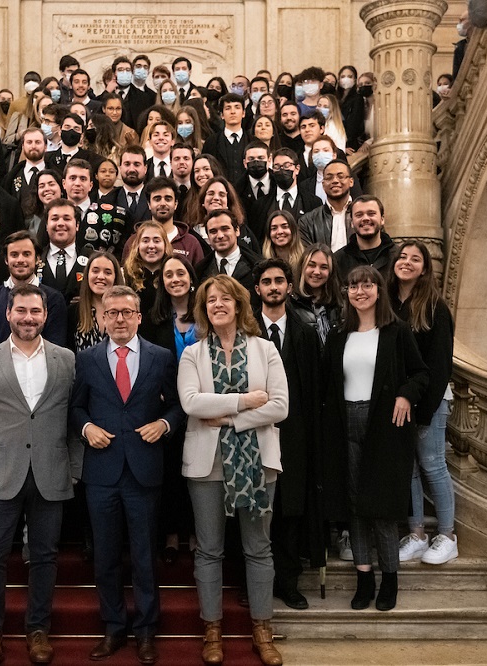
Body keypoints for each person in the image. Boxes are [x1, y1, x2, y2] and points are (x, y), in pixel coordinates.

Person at [177, 274, 288, 666]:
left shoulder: (265, 349)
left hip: (259, 462)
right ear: (204, 310)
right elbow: (191, 403)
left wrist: (228, 419)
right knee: (209, 550)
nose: (218, 304)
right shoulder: (193, 354)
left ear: (240, 304)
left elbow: (279, 406)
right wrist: (244, 401)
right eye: (210, 301)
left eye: (225, 298)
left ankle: (262, 628)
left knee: (258, 548)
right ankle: (212, 628)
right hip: (207, 465)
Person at [0, 284, 78, 666]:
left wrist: (74, 469)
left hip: (51, 472)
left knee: (45, 556)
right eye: (21, 311)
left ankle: (38, 630)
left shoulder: (65, 359)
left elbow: (75, 418)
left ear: (45, 316)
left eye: (35, 311)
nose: (28, 317)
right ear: (8, 314)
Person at [71, 285, 185, 664]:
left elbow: (179, 409)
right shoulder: (85, 360)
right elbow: (76, 409)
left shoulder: (161, 357)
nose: (119, 319)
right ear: (101, 318)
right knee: (105, 556)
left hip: (144, 470)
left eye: (126, 312)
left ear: (138, 316)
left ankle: (147, 631)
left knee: (144, 555)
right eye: (112, 312)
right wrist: (86, 428)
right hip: (101, 473)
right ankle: (113, 628)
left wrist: (164, 426)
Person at [320, 266, 428, 612]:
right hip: (345, 423)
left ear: (379, 291)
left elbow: (421, 373)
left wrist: (405, 395)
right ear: (347, 294)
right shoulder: (339, 335)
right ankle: (364, 578)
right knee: (355, 504)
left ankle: (390, 580)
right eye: (353, 286)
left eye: (367, 285)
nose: (360, 291)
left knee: (381, 506)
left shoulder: (396, 332)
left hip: (383, 424)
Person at [252, 259, 323, 611]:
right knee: (255, 509)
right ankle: (253, 582)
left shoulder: (306, 331)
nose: (273, 286)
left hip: (294, 434)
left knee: (291, 509)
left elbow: (313, 390)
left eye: (280, 280)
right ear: (257, 290)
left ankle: (289, 582)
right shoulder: (246, 333)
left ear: (290, 287)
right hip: (253, 432)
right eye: (266, 281)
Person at [390, 242, 459, 566]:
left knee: (433, 465)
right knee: (409, 470)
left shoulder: (435, 306)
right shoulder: (389, 303)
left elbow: (441, 364)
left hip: (429, 401)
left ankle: (447, 535)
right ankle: (417, 535)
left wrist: (425, 409)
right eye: (402, 257)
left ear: (424, 269)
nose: (406, 262)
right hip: (401, 402)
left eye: (415, 259)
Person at [148, 256, 200, 562]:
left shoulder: (205, 316)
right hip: (166, 407)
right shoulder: (155, 320)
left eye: (181, 272)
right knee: (169, 472)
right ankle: (170, 535)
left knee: (197, 472)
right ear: (162, 282)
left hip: (202, 407)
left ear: (191, 278)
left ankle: (195, 532)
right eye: (169, 274)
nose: (175, 278)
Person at [0, 230, 68, 351]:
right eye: (14, 255)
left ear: (37, 259)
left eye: (26, 254)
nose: (20, 260)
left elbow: (56, 347)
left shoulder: (54, 299)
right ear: (6, 260)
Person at [122, 177, 204, 266]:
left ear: (175, 204)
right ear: (149, 204)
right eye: (157, 199)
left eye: (168, 199)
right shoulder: (133, 241)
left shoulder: (191, 243)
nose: (162, 203)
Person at [195, 209, 263, 292]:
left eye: (225, 229)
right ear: (208, 237)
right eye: (213, 231)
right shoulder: (200, 270)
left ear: (237, 230)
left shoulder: (258, 266)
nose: (220, 235)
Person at [333, 195, 397, 281]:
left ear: (382, 219)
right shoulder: (338, 260)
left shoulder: (397, 256)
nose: (365, 218)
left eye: (371, 214)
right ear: (352, 222)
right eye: (359, 215)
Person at [71, 252, 126, 353]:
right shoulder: (73, 311)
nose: (101, 276)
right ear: (87, 275)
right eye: (95, 271)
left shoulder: (128, 312)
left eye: (108, 272)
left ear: (115, 277)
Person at [298, 158, 355, 251]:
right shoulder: (308, 222)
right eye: (329, 178)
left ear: (351, 181)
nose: (335, 181)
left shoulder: (364, 215)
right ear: (323, 185)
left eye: (340, 176)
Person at [291, 243, 343, 345]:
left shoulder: (341, 302)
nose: (317, 272)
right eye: (311, 265)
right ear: (303, 267)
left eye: (323, 267)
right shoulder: (291, 304)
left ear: (331, 272)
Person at [37, 198, 86, 303]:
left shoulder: (92, 259)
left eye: (66, 219)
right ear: (46, 225)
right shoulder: (34, 259)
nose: (60, 223)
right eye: (55, 219)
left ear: (77, 225)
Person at [202, 93, 249, 186]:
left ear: (243, 113)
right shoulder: (211, 142)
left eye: (237, 107)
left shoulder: (253, 141)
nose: (233, 112)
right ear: (222, 115)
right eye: (228, 108)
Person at [0, 128, 47, 198]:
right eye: (29, 142)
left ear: (45, 146)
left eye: (37, 142)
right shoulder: (10, 178)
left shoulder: (56, 174)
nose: (33, 146)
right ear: (23, 146)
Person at [261, 210, 305, 274]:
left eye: (284, 227)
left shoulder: (305, 261)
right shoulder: (262, 264)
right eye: (274, 228)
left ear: (293, 230)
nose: (279, 232)